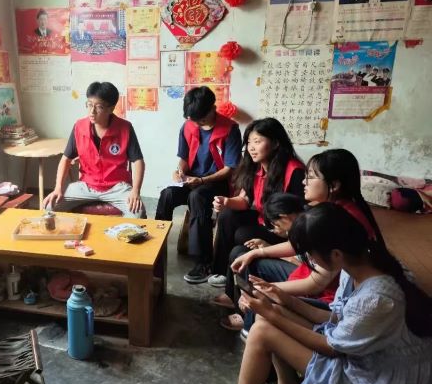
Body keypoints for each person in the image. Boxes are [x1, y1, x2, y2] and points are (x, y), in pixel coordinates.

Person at [193, 203, 432, 384]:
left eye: (310, 253)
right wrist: (284, 299)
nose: (309, 260)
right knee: (267, 316)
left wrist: (273, 314)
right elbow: (336, 319)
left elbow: (332, 347)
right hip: (358, 354)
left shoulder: (377, 298)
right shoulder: (356, 266)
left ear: (335, 254)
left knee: (264, 328)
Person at [222, 149, 384, 331]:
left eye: (311, 177)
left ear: (334, 185)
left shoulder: (339, 220)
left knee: (261, 291)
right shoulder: (330, 208)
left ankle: (251, 324)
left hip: (326, 297)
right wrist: (258, 252)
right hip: (309, 276)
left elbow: (316, 284)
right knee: (243, 255)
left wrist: (266, 290)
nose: (303, 182)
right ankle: (248, 314)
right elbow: (299, 244)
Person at [156, 87, 242, 284]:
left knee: (198, 197)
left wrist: (202, 181)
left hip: (217, 182)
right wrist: (180, 171)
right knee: (167, 194)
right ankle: (156, 244)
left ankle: (203, 262)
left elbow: (229, 169)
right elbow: (184, 157)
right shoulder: (188, 126)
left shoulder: (230, 129)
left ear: (213, 108)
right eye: (194, 120)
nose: (197, 124)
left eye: (201, 120)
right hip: (192, 180)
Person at [207, 118, 305, 287]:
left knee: (242, 235)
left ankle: (237, 278)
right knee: (227, 216)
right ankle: (221, 272)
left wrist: (284, 233)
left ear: (275, 143)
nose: (251, 147)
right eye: (249, 142)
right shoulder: (255, 166)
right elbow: (245, 200)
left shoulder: (294, 171)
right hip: (264, 220)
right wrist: (226, 201)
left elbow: (300, 216)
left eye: (257, 142)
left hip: (283, 230)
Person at [43, 82, 146, 218]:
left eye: (99, 107)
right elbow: (66, 159)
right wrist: (58, 188)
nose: (92, 111)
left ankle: (120, 232)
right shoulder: (79, 127)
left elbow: (138, 161)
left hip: (116, 187)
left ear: (111, 108)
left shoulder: (125, 128)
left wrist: (135, 191)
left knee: (138, 213)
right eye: (89, 104)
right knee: (50, 206)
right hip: (86, 185)